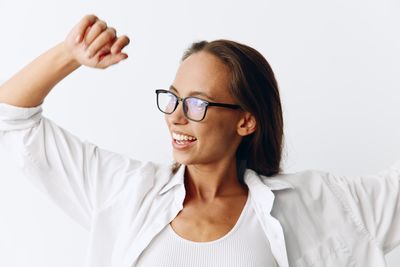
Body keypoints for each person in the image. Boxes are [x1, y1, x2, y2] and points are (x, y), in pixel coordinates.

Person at [0, 14, 399, 267]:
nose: (175, 114)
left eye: (196, 103)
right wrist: (71, 54)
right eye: (173, 97)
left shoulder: (315, 204)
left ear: (246, 121)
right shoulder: (122, 189)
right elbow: (11, 119)